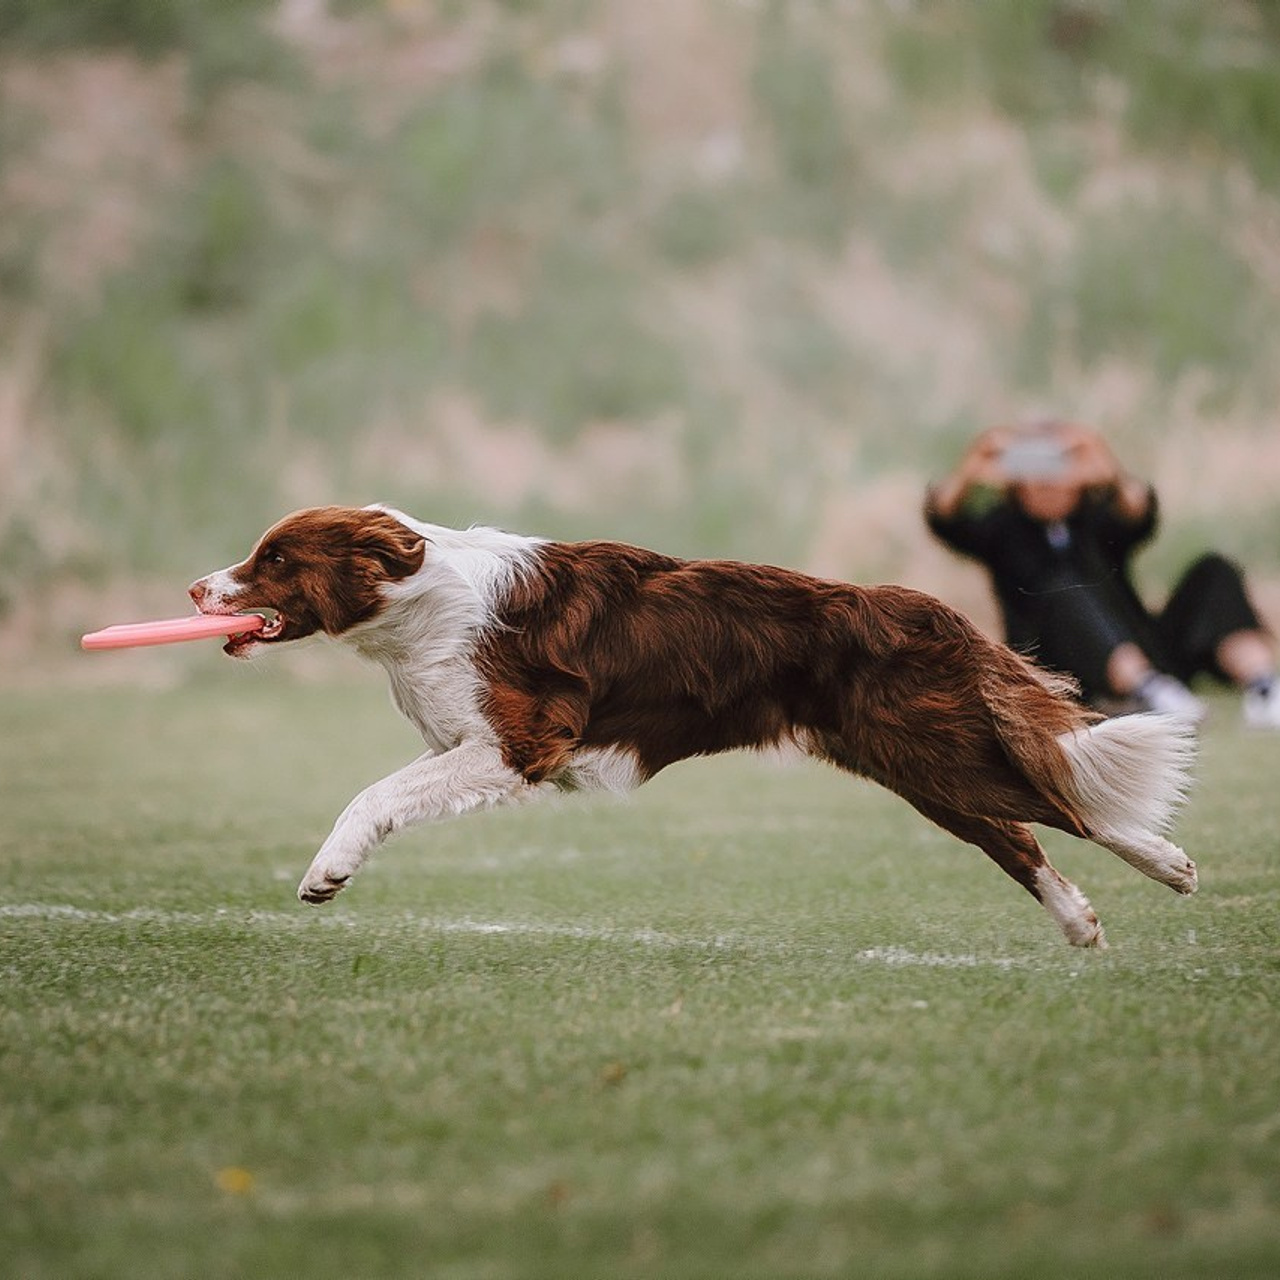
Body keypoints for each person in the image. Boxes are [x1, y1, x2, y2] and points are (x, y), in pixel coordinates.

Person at [924, 420, 1280, 727]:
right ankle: (1148, 693)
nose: (1049, 481)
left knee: (1213, 571)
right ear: (1017, 480)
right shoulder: (1001, 528)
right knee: (1062, 586)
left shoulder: (1095, 519)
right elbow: (944, 516)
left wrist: (1101, 458)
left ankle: (1263, 687)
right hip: (1064, 669)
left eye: (1057, 466)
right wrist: (976, 462)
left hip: (1146, 647)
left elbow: (1139, 510)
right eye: (1035, 468)